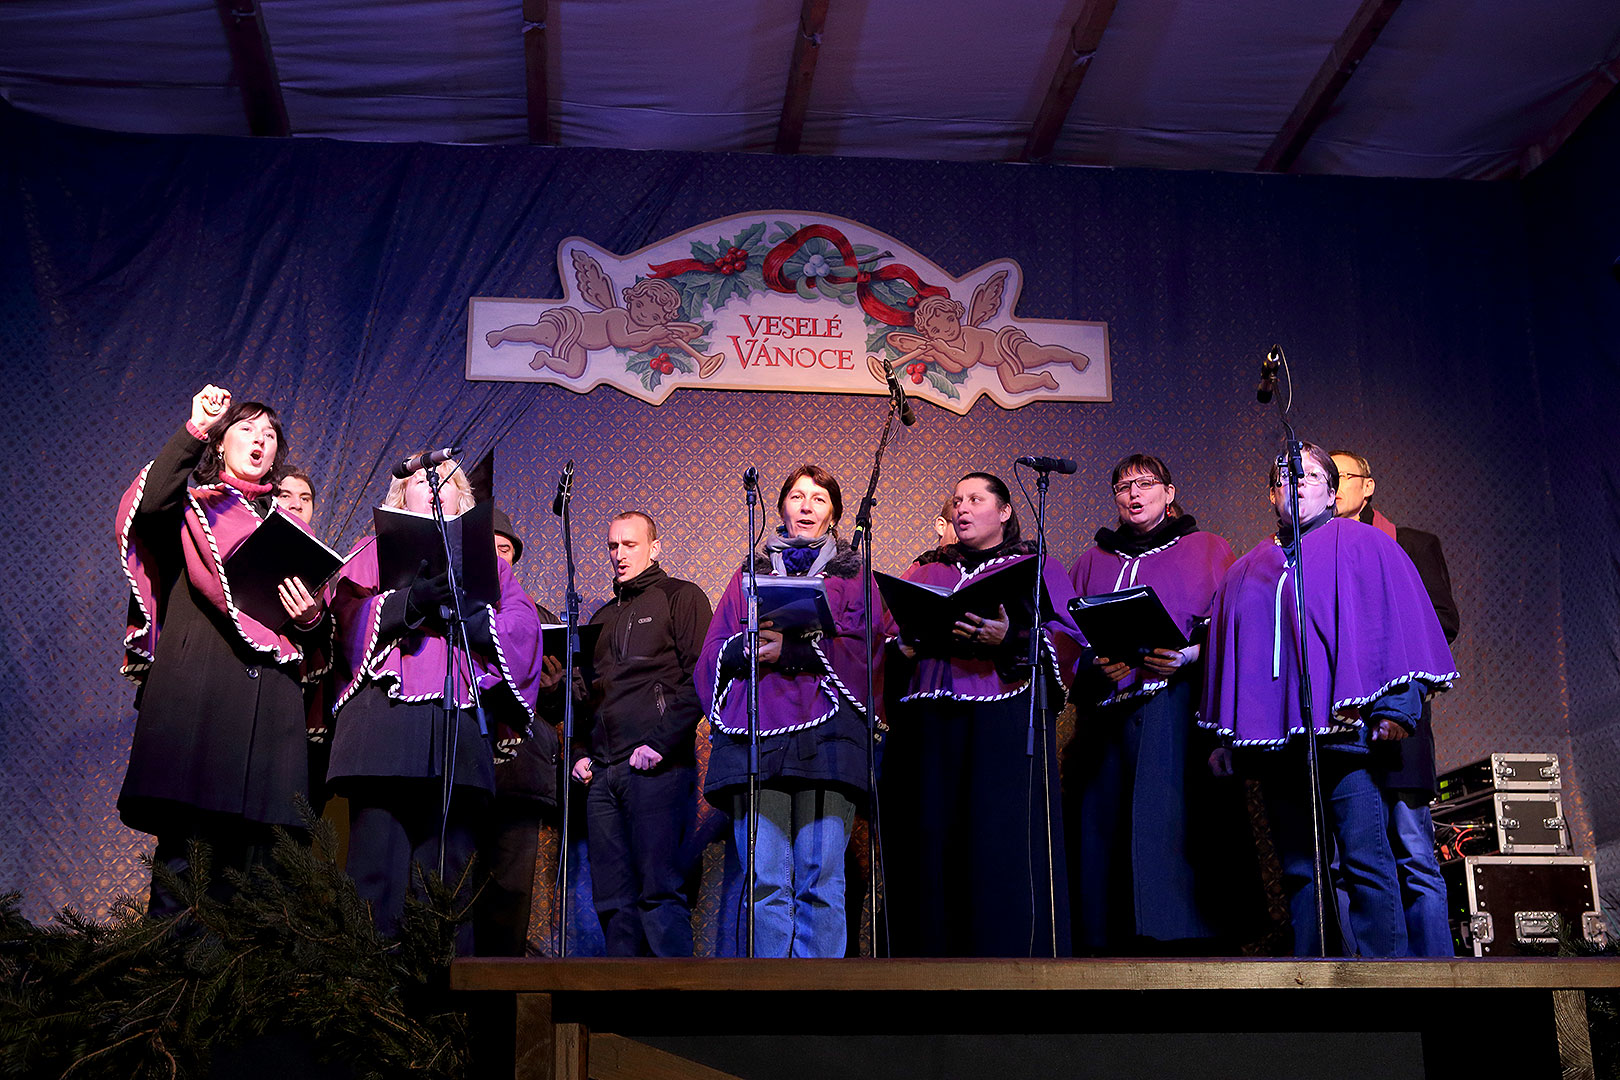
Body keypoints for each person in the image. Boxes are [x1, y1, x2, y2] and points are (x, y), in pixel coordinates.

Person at [1199, 444, 1457, 957]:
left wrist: (1398, 710)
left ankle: (1386, 981)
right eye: (1285, 476)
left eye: (1310, 474)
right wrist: (1224, 738)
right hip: (1279, 751)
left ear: (1331, 490)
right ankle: (1314, 978)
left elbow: (1396, 629)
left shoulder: (1366, 545)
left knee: (1365, 860)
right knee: (1297, 868)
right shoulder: (1247, 570)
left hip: (1346, 739)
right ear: (1272, 493)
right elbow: (1232, 658)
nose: (1296, 482)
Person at [116, 385, 326, 916]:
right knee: (187, 862)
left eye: (270, 434)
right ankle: (172, 987)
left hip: (267, 715)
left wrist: (310, 617)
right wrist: (195, 427)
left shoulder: (290, 531)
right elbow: (152, 498)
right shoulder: (192, 507)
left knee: (252, 874)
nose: (260, 440)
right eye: (246, 429)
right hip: (202, 703)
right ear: (220, 443)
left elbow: (314, 639)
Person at [326, 459, 547, 948]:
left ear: (463, 502)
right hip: (384, 727)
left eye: (447, 484)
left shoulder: (492, 566)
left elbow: (524, 629)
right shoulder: (371, 551)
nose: (434, 489)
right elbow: (341, 616)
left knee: (447, 885)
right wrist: (408, 603)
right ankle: (367, 1011)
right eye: (421, 483)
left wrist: (473, 621)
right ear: (399, 498)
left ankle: (442, 1018)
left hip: (458, 727)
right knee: (374, 879)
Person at [879, 471, 1082, 957]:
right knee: (932, 846)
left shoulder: (1036, 567)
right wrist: (903, 646)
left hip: (1003, 724)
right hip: (929, 729)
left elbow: (1072, 638)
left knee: (998, 845)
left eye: (975, 499)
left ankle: (1012, 970)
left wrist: (1009, 639)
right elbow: (886, 641)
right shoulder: (924, 571)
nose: (962, 508)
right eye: (956, 501)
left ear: (1005, 511)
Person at [1065, 454, 1255, 954]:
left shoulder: (1208, 549)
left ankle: (1186, 942)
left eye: (1145, 483)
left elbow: (1236, 628)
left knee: (1172, 826)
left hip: (1180, 711)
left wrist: (1189, 654)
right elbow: (1069, 639)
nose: (1134, 493)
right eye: (1123, 486)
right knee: (1109, 828)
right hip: (1109, 721)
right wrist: (1095, 662)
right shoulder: (1091, 562)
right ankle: (1112, 943)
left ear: (1169, 493)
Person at [698, 465, 877, 957]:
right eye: (796, 496)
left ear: (834, 515)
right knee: (765, 880)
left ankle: (818, 1008)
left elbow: (873, 648)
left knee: (821, 880)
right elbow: (714, 647)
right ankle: (769, 1001)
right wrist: (743, 651)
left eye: (819, 499)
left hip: (829, 737)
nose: (805, 505)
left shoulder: (855, 572)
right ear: (779, 507)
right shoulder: (749, 572)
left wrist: (796, 652)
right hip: (756, 732)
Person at [1331, 449, 1461, 957]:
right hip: (1342, 729)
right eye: (1328, 477)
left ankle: (1436, 977)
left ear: (1369, 486)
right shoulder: (1311, 552)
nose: (1336, 485)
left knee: (1413, 852)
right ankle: (1367, 976)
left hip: (1401, 722)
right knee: (1348, 861)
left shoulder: (1411, 544)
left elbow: (1443, 622)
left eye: (1346, 477)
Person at [572, 512, 712, 956]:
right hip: (603, 775)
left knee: (660, 892)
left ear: (654, 547)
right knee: (613, 900)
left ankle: (677, 1016)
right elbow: (583, 697)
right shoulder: (599, 617)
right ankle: (621, 1013)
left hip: (658, 768)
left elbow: (703, 679)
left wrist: (659, 742)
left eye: (629, 545)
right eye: (613, 546)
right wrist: (579, 751)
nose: (619, 555)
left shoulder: (681, 597)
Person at [473, 505, 565, 956]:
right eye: (489, 547)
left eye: (505, 549)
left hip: (518, 776)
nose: (497, 557)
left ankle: (500, 1012)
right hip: (460, 769)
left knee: (509, 893)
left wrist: (554, 686)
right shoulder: (448, 609)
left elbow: (571, 701)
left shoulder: (538, 614)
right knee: (451, 886)